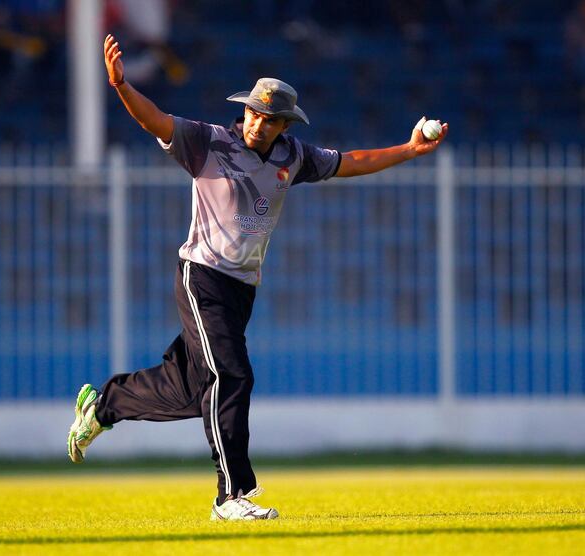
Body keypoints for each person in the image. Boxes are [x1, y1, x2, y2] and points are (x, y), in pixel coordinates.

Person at [67, 34, 449, 521]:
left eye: (270, 118)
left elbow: (351, 162)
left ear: (284, 123)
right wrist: (121, 85)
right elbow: (155, 120)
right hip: (201, 276)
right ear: (243, 109)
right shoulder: (209, 142)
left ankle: (102, 406)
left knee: (189, 389)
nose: (258, 122)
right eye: (253, 112)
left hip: (241, 289)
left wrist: (411, 150)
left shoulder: (293, 156)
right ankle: (231, 497)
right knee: (232, 375)